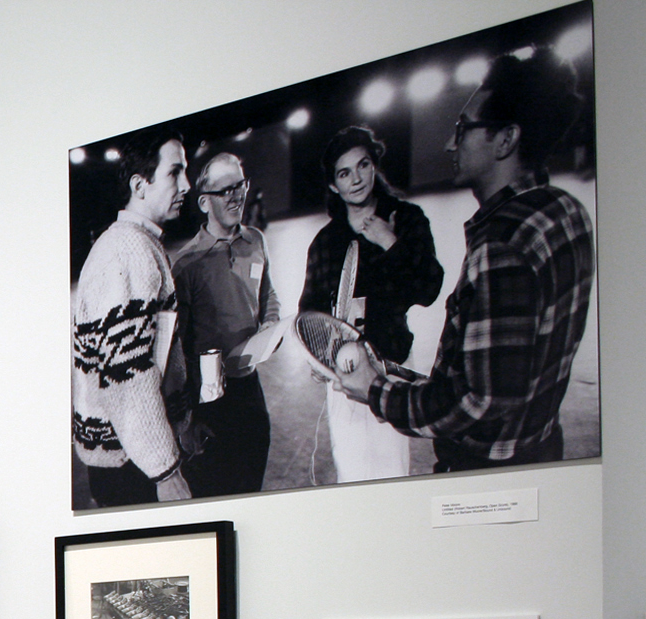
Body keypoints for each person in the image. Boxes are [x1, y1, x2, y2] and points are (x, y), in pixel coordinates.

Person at [337, 51, 593, 471]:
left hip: (488, 469)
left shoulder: (503, 244)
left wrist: (376, 391)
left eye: (463, 128)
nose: (449, 143)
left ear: (506, 140)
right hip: (542, 447)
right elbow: (502, 372)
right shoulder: (567, 211)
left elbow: (479, 400)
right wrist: (393, 374)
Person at [299, 126, 444, 482]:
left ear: (374, 165)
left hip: (391, 365)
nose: (356, 179)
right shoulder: (325, 242)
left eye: (363, 165)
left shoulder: (406, 218)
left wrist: (388, 241)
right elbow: (310, 309)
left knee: (392, 472)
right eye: (344, 173)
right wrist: (316, 355)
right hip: (343, 373)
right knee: (350, 474)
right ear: (334, 184)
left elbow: (428, 289)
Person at [72, 126, 191, 506]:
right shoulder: (127, 250)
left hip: (133, 455)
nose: (186, 185)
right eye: (175, 173)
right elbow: (127, 375)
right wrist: (165, 470)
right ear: (140, 185)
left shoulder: (139, 242)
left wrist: (182, 423)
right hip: (130, 465)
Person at [170, 152, 280, 496]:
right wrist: (188, 418)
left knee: (253, 475)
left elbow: (268, 293)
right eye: (224, 190)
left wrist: (271, 325)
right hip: (210, 398)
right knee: (216, 490)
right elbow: (177, 348)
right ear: (204, 202)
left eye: (240, 186)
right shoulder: (187, 264)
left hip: (249, 385)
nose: (236, 196)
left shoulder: (256, 240)